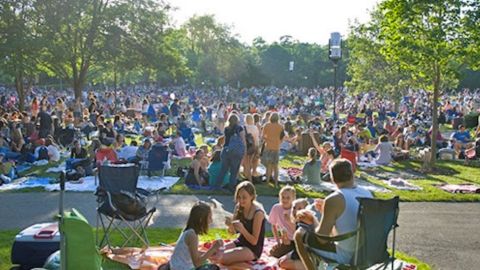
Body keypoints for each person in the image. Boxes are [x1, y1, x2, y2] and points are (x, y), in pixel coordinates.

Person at [294, 159, 372, 269]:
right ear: (352, 173)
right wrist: (326, 211)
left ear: (331, 178)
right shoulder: (367, 193)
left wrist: (313, 220)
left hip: (347, 254)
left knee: (299, 235)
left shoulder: (335, 199)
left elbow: (322, 239)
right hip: (366, 251)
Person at [220, 181, 266, 266]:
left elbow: (254, 241)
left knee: (222, 258)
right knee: (217, 252)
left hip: (253, 249)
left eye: (244, 197)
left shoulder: (258, 213)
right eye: (239, 197)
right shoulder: (239, 207)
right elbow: (233, 233)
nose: (241, 200)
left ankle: (245, 266)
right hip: (240, 241)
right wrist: (230, 226)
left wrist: (242, 230)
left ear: (252, 196)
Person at [168, 201, 222, 270]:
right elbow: (196, 263)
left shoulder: (189, 230)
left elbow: (192, 252)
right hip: (181, 268)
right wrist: (213, 249)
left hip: (175, 265)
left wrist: (209, 253)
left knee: (208, 262)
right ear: (201, 220)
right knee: (215, 268)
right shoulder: (192, 235)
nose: (211, 221)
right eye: (209, 217)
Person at [278, 198, 317, 270]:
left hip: (306, 253)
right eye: (294, 208)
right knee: (280, 261)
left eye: (299, 208)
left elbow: (301, 237)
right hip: (297, 250)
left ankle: (308, 266)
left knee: (283, 263)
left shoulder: (304, 223)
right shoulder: (298, 221)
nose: (295, 210)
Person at [215, 114, 246, 191]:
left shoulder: (226, 129)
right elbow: (243, 140)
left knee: (223, 170)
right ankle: (232, 187)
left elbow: (225, 140)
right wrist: (244, 150)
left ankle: (217, 186)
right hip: (236, 151)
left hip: (226, 150)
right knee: (234, 171)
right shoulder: (240, 129)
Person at [268, 186, 297, 258]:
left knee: (290, 255)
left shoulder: (295, 210)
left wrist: (289, 221)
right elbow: (273, 225)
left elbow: (298, 229)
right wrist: (277, 241)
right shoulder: (276, 208)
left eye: (288, 198)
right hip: (285, 239)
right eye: (283, 197)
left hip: (296, 240)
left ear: (293, 199)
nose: (285, 200)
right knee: (274, 253)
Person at [262, 112, 283, 187]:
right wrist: (279, 142)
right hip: (276, 147)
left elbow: (263, 136)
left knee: (269, 166)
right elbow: (282, 137)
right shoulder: (280, 126)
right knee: (276, 166)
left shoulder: (266, 125)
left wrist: (268, 139)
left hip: (268, 147)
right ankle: (276, 183)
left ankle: (267, 182)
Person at [243, 114, 260, 182]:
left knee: (246, 163)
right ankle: (252, 174)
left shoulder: (243, 127)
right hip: (253, 146)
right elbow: (256, 138)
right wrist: (257, 147)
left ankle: (246, 175)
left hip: (246, 146)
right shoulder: (255, 127)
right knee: (254, 161)